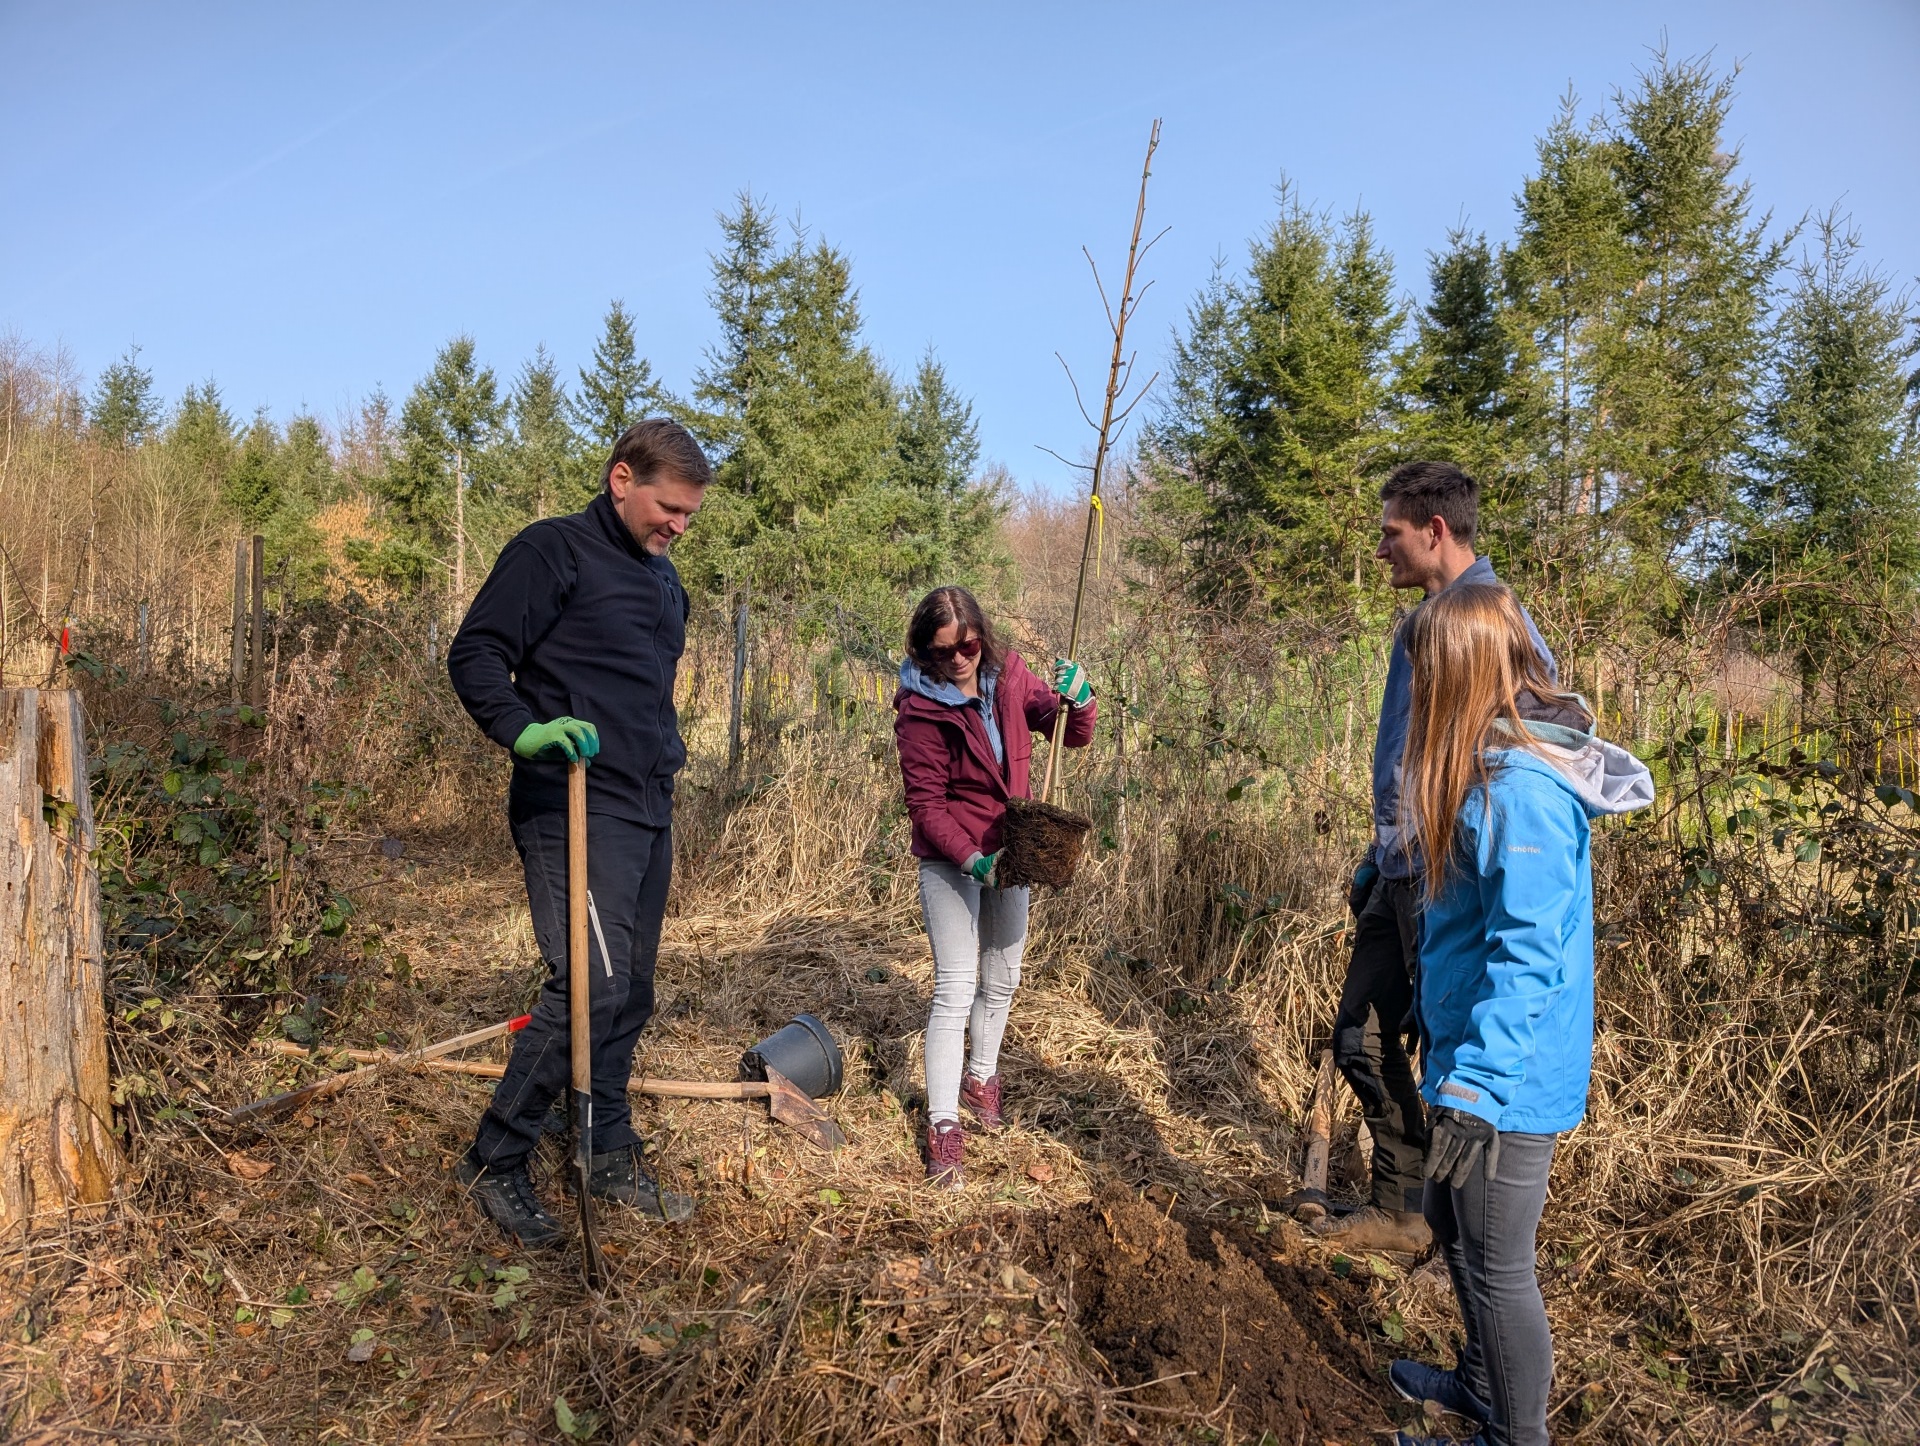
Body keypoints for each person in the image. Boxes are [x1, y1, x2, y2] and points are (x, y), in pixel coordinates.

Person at [1387, 583, 1652, 1446]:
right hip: (1470, 1054)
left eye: (1427, 674)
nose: (1418, 692)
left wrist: (1477, 1088)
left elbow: (1529, 957)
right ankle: (1478, 1387)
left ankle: (1515, 1435)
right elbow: (1471, 922)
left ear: (1460, 674)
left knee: (1498, 1266)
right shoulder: (1484, 769)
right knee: (1449, 1223)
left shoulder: (1522, 792)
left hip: (1506, 1077)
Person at [445, 418, 710, 1247]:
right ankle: (495, 1157)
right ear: (621, 479)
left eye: (690, 515)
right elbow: (475, 654)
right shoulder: (551, 550)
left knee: (631, 988)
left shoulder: (665, 581)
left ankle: (603, 1145)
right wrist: (523, 730)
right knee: (590, 987)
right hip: (572, 800)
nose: (678, 526)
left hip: (646, 803)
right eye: (669, 508)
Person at [1317, 460, 1558, 1254]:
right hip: (1396, 870)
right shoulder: (1422, 622)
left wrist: (1444, 850)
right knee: (1361, 1037)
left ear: (1436, 530)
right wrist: (1379, 851)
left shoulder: (1492, 623)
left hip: (1446, 877)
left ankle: (1454, 1231)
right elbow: (1409, 757)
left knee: (1443, 1044)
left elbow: (1530, 752)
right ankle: (1401, 1208)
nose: (1381, 548)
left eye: (1392, 533)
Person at [893, 585, 1096, 1187]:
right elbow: (926, 807)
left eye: (969, 646)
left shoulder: (1009, 679)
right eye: (943, 652)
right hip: (950, 856)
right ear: (925, 651)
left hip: (1017, 847)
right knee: (956, 986)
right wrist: (971, 859)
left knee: (1003, 975)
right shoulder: (920, 711)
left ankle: (980, 1078)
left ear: (983, 638)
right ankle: (943, 1124)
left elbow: (1069, 733)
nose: (958, 660)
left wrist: (1079, 700)